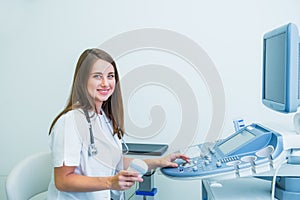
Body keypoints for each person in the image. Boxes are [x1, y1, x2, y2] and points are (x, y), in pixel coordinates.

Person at [47, 48, 189, 200]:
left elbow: (116, 162)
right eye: (97, 76)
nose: (105, 83)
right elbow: (62, 180)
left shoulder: (104, 118)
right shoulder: (71, 122)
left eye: (110, 76)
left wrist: (159, 162)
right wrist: (110, 182)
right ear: (82, 80)